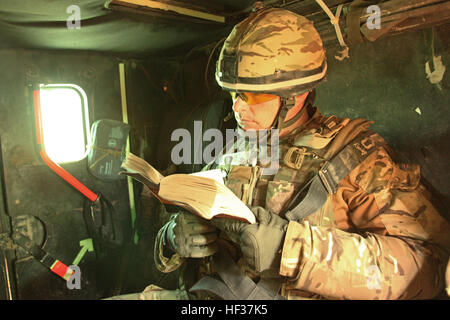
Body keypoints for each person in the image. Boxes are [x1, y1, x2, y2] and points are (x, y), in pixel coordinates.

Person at [110, 7, 450, 300]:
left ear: (296, 95)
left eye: (252, 97)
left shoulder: (357, 158)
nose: (239, 108)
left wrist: (295, 250)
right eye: (233, 94)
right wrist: (171, 239)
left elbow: (430, 265)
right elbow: (190, 223)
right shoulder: (235, 148)